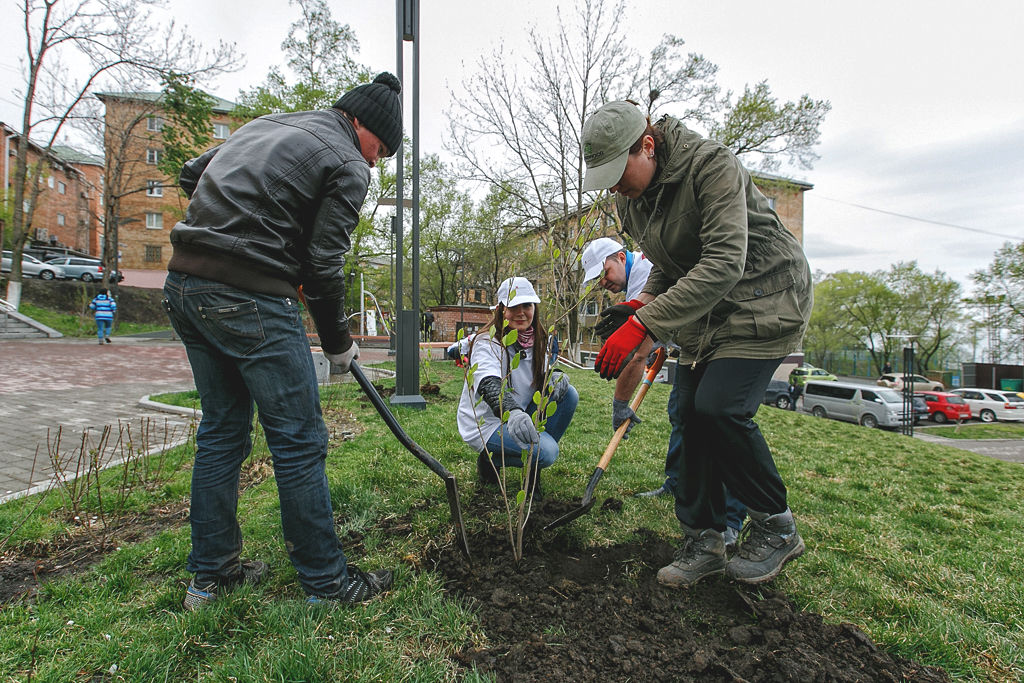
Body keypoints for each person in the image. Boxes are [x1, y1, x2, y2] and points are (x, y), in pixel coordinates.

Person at [162, 72, 403, 609]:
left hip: (185, 286)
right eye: (380, 150)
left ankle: (211, 578)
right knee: (299, 439)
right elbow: (323, 266)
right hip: (249, 297)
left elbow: (192, 173)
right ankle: (327, 584)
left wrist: (230, 232)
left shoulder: (267, 124)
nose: (374, 163)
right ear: (359, 123)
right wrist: (338, 342)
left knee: (222, 431)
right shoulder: (346, 161)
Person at [581, 100, 813, 587]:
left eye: (618, 173)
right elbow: (668, 262)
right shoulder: (632, 199)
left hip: (764, 297)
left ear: (647, 145)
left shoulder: (711, 167)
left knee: (719, 408)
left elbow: (725, 261)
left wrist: (646, 325)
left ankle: (776, 526)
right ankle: (705, 540)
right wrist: (640, 305)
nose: (614, 188)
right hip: (705, 310)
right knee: (687, 414)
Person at [582, 237, 747, 550]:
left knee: (721, 423)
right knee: (681, 413)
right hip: (694, 345)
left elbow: (637, 354)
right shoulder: (638, 279)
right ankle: (677, 483)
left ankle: (732, 517)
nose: (603, 283)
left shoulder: (643, 278)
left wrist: (620, 404)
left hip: (727, 341)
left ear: (621, 257)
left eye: (604, 273)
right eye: (598, 280)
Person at [456, 276, 578, 497]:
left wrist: (555, 376)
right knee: (548, 452)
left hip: (520, 412)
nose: (521, 312)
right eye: (513, 306)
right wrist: (512, 412)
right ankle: (490, 459)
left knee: (568, 394)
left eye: (527, 305)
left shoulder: (538, 340)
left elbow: (541, 374)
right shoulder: (487, 342)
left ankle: (532, 469)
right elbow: (488, 382)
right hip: (488, 422)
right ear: (501, 310)